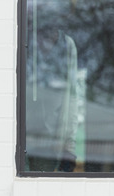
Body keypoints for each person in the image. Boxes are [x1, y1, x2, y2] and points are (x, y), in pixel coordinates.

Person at [25, 6, 79, 173]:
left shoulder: (67, 46)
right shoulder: (24, 40)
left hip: (50, 144)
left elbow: (71, 101)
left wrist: (69, 147)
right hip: (21, 139)